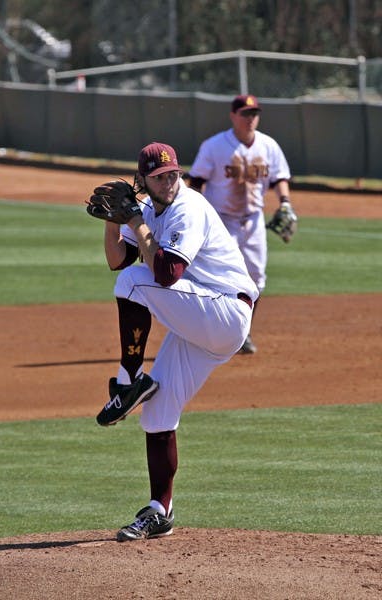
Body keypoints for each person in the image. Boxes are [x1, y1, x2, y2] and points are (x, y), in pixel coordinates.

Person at [94, 141, 259, 542]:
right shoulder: (148, 210)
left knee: (132, 284)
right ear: (144, 181)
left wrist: (135, 222)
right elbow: (118, 258)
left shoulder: (190, 207)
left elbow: (166, 273)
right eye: (160, 177)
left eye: (173, 174)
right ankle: (160, 510)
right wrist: (114, 221)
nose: (169, 182)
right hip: (199, 323)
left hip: (226, 313)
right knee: (157, 414)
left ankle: (128, 379)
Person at [188, 94, 294, 354]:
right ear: (233, 116)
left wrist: (285, 203)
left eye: (254, 113)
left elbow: (280, 177)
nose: (250, 119)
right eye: (245, 114)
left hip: (254, 220)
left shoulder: (268, 145)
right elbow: (197, 182)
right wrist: (196, 216)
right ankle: (206, 332)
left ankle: (242, 334)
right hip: (221, 222)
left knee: (256, 279)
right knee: (219, 279)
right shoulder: (214, 146)